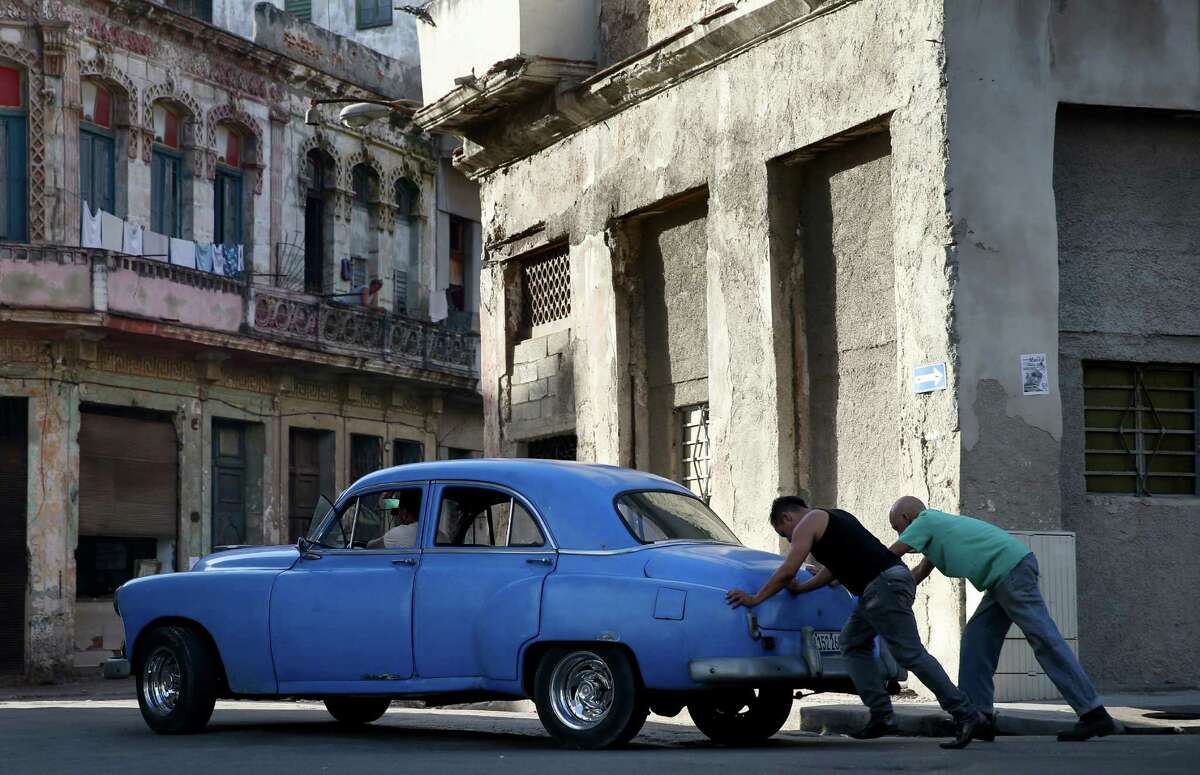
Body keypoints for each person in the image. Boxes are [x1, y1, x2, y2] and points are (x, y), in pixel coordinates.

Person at [726, 496, 985, 748]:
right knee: (852, 642)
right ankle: (882, 715)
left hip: (882, 585)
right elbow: (833, 570)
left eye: (785, 533)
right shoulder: (836, 518)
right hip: (881, 585)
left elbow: (787, 570)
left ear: (787, 517)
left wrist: (755, 598)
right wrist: (802, 589)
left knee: (911, 654)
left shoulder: (807, 523)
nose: (790, 539)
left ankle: (966, 714)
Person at [888, 496, 1117, 742]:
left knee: (1044, 639)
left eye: (896, 528)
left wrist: (857, 575)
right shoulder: (936, 532)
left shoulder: (926, 520)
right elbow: (919, 572)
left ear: (906, 518)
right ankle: (979, 718)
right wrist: (889, 593)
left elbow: (891, 555)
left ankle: (1093, 712)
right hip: (1001, 579)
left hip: (1011, 571)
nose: (900, 533)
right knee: (976, 640)